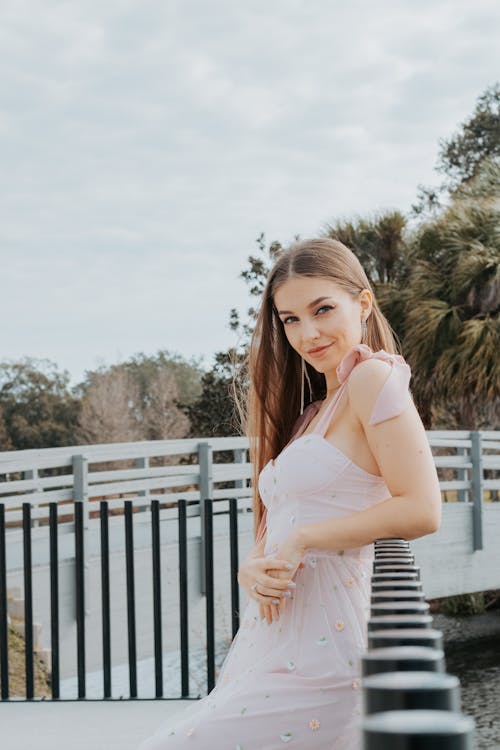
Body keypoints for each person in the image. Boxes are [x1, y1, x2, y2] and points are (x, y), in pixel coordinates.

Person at [137, 238, 442, 750]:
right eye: (290, 319)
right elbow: (281, 519)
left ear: (362, 304)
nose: (309, 332)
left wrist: (306, 538)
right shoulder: (310, 414)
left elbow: (422, 508)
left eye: (323, 309)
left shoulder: (372, 378)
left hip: (326, 659)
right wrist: (250, 565)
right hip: (271, 646)